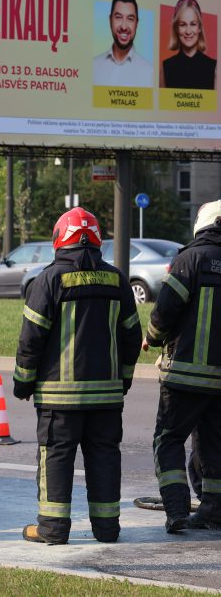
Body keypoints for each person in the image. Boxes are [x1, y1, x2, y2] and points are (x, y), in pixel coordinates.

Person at [13, 207, 142, 545]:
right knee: (104, 457)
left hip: (59, 399)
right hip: (107, 398)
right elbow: (131, 337)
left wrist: (23, 382)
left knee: (56, 457)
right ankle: (107, 528)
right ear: (97, 239)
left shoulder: (49, 280)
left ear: (60, 239)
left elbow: (31, 338)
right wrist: (123, 380)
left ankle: (53, 530)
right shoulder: (117, 280)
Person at [143, 199, 221, 532]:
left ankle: (176, 511)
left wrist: (153, 337)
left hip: (184, 376)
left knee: (168, 439)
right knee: (213, 444)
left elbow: (165, 310)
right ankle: (213, 511)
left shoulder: (189, 259)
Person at [93, 0, 153, 87]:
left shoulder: (150, 72)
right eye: (118, 17)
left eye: (130, 19)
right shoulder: (93, 66)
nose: (124, 27)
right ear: (110, 20)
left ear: (136, 24)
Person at [161, 0, 217, 90]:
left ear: (199, 28)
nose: (188, 31)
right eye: (183, 25)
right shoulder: (165, 67)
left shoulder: (214, 67)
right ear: (176, 29)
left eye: (193, 24)